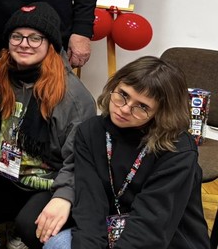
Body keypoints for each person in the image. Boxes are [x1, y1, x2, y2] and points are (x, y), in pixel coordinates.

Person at [48, 56, 210, 249]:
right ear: (114, 86)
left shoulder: (177, 150)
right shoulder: (90, 132)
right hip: (113, 231)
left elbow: (151, 227)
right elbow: (90, 208)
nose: (124, 109)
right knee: (56, 243)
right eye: (123, 94)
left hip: (167, 239)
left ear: (161, 112)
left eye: (142, 106)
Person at [0, 2, 95, 249]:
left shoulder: (73, 97)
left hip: (47, 184)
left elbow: (81, 160)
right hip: (3, 174)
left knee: (31, 225)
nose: (24, 44)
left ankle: (20, 228)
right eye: (17, 36)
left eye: (35, 38)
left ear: (50, 44)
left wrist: (64, 197)